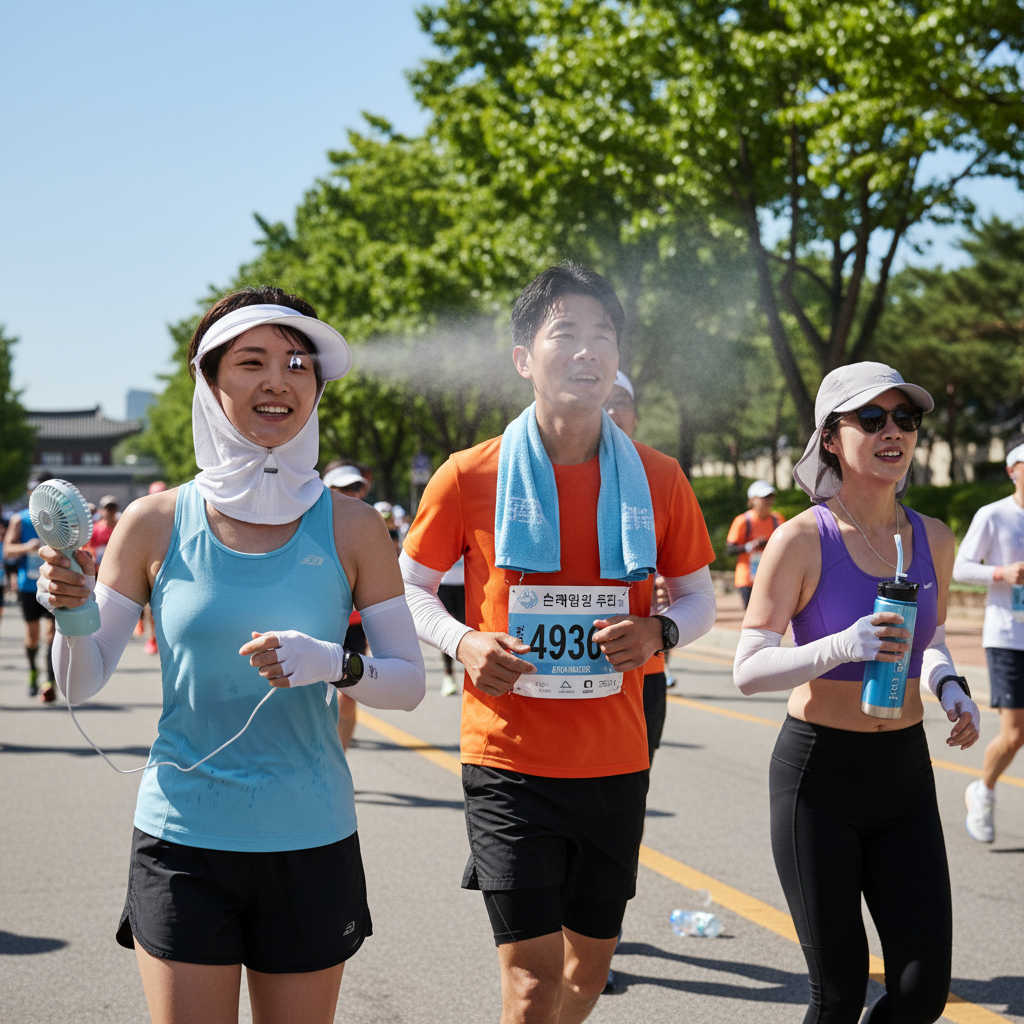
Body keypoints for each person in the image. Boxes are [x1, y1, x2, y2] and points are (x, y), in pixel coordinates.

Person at [38, 287, 425, 1024]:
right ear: (209, 382)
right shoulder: (153, 521)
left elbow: (407, 683)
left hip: (311, 836)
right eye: (252, 361)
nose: (279, 379)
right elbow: (80, 684)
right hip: (182, 839)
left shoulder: (353, 525)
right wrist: (71, 610)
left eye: (298, 363)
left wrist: (332, 662)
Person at [400, 262, 717, 1024]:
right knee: (531, 985)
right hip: (508, 762)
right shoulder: (468, 475)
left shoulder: (660, 478)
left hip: (615, 761)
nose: (586, 351)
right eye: (565, 333)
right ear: (523, 358)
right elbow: (406, 588)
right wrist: (464, 641)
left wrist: (661, 630)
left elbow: (700, 598)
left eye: (602, 335)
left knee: (586, 973)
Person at [733, 362, 980, 1024]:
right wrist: (842, 646)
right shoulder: (800, 539)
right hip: (820, 779)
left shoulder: (933, 538)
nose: (893, 431)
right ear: (831, 438)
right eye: (871, 419)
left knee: (921, 994)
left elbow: (929, 639)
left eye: (906, 418)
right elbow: (748, 669)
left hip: (904, 775)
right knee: (838, 996)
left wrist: (950, 685)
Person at [953, 438, 1024, 843]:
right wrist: (1001, 573)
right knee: (1014, 734)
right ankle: (984, 792)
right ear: (1013, 471)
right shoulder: (994, 515)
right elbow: (961, 567)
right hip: (1008, 637)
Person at [602, 370, 671, 764]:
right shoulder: (549, 474)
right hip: (571, 671)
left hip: (646, 668)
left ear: (635, 417)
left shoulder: (662, 477)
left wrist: (669, 603)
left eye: (621, 403)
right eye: (603, 401)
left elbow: (693, 589)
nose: (612, 411)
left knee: (633, 784)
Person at [323, 464, 374, 751]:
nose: (352, 494)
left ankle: (338, 763)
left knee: (347, 697)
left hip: (353, 628)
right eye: (343, 488)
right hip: (318, 623)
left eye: (356, 487)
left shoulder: (368, 526)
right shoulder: (304, 525)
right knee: (309, 699)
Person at [4, 478, 58, 701]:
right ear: (29, 494)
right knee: (32, 637)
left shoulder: (58, 518)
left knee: (52, 635)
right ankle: (33, 672)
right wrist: (27, 547)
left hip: (53, 584)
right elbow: (7, 550)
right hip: (29, 585)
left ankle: (50, 681)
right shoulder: (20, 519)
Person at [726, 480, 785, 608]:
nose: (768, 501)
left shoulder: (778, 520)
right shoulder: (742, 521)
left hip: (770, 578)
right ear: (752, 500)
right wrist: (751, 546)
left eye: (770, 497)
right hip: (747, 579)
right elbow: (730, 549)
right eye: (764, 497)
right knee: (751, 615)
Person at [437, 557, 466, 695]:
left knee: (468, 629)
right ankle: (448, 675)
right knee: (447, 630)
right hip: (442, 584)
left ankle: (471, 675)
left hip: (466, 583)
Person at [85, 495, 121, 566]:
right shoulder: (95, 529)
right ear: (100, 510)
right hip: (98, 566)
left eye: (113, 508)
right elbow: (89, 547)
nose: (110, 511)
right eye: (108, 508)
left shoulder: (121, 528)